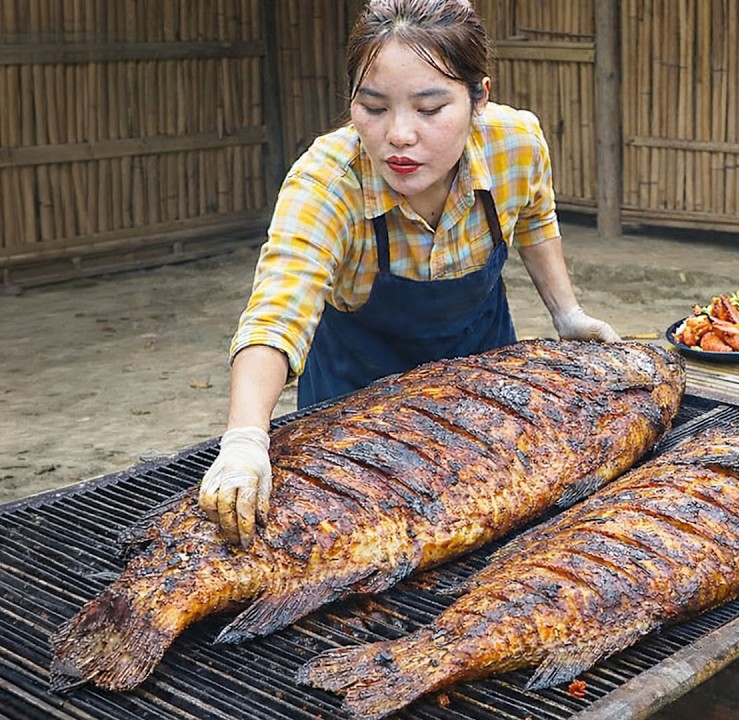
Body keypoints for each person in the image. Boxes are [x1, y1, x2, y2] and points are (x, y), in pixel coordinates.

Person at [197, 0, 620, 547]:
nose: (398, 135)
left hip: (484, 387)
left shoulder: (515, 142)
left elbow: (535, 216)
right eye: (373, 107)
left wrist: (568, 313)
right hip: (356, 404)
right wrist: (245, 439)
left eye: (429, 108)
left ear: (479, 98)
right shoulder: (327, 182)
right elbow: (278, 310)